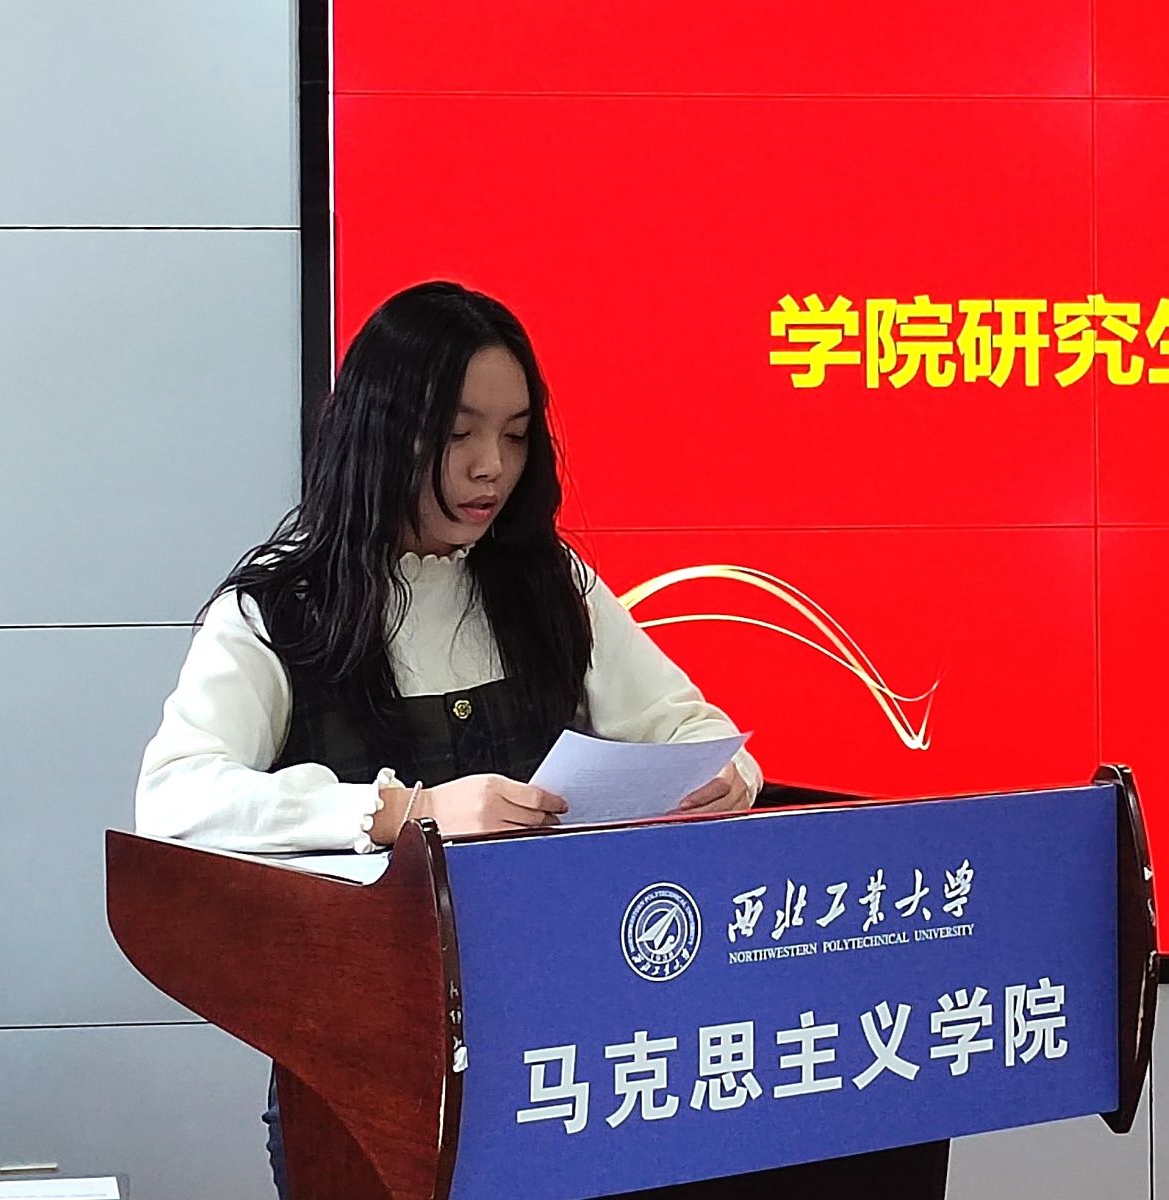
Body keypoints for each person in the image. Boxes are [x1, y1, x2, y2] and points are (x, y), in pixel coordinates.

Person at [132, 280, 758, 1198]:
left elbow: (691, 727)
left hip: (564, 1058)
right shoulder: (277, 610)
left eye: (515, 435)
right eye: (458, 434)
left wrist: (726, 774)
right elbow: (175, 798)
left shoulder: (551, 584)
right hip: (358, 1078)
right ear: (381, 430)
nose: (489, 468)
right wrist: (405, 812)